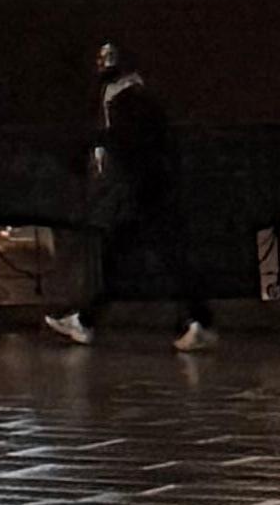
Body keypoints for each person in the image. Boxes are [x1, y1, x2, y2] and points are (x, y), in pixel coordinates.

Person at [48, 41, 217, 347]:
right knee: (133, 258)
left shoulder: (125, 101)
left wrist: (111, 167)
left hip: (141, 191)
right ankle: (87, 319)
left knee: (144, 258)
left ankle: (197, 321)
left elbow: (130, 146)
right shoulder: (132, 98)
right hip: (145, 190)